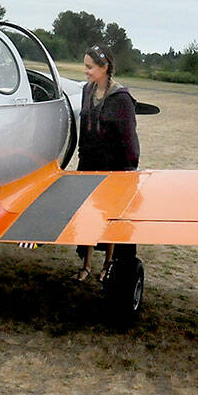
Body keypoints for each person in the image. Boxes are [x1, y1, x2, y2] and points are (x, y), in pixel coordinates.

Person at [75, 44, 140, 282]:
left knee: (110, 218)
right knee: (88, 216)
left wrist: (129, 168)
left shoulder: (121, 98)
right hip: (88, 163)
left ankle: (108, 266)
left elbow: (129, 137)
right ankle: (86, 265)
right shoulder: (86, 91)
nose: (86, 71)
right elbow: (84, 128)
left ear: (104, 68)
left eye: (89, 67)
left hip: (114, 167)